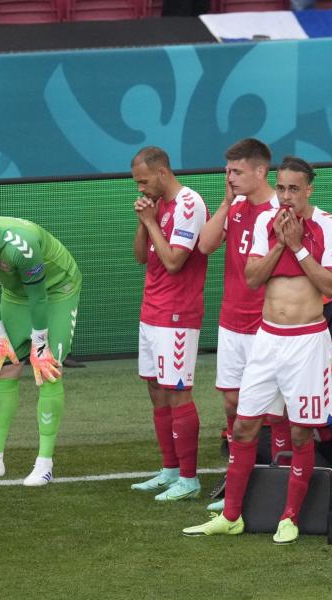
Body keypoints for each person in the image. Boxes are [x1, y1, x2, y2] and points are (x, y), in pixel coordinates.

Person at [183, 156, 332, 544]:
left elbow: (330, 287)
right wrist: (279, 243)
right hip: (267, 339)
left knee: (302, 432)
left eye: (294, 188)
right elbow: (254, 278)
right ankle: (231, 515)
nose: (286, 196)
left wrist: (299, 249)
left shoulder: (330, 228)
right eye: (282, 187)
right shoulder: (263, 222)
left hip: (307, 342)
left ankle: (289, 517)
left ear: (309, 189)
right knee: (243, 424)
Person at [0, 216, 81, 486]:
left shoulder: (22, 246)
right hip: (15, 294)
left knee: (48, 368)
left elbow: (39, 297)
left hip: (56, 290)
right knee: (4, 365)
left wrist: (40, 344)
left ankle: (45, 464)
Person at [195, 139, 286, 501]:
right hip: (231, 319)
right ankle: (238, 472)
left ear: (260, 171)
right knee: (232, 402)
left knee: (275, 408)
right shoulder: (235, 208)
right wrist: (226, 201)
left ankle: (275, 474)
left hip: (266, 323)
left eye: (236, 171)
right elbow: (204, 244)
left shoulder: (281, 210)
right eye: (227, 171)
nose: (229, 177)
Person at [128, 147, 209, 501]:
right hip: (152, 309)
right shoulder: (157, 203)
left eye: (144, 181)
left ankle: (189, 479)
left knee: (177, 391)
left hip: (178, 312)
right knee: (156, 389)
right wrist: (142, 221)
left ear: (163, 172)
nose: (141, 189)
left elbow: (175, 261)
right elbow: (139, 256)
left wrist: (149, 222)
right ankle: (170, 470)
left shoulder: (189, 204)